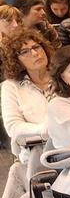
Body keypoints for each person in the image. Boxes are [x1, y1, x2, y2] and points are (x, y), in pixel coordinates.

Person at [1, 28, 56, 157]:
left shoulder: (62, 75)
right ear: (15, 60)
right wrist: (45, 129)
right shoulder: (11, 86)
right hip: (36, 151)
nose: (35, 53)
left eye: (36, 47)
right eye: (25, 52)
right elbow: (13, 127)